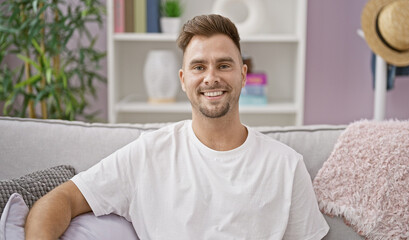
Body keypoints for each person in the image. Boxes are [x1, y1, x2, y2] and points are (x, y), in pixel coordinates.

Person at [25, 14, 329, 239]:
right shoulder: (147, 154)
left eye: (224, 65)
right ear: (183, 80)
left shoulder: (286, 166)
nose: (211, 77)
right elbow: (59, 200)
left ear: (243, 75)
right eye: (199, 67)